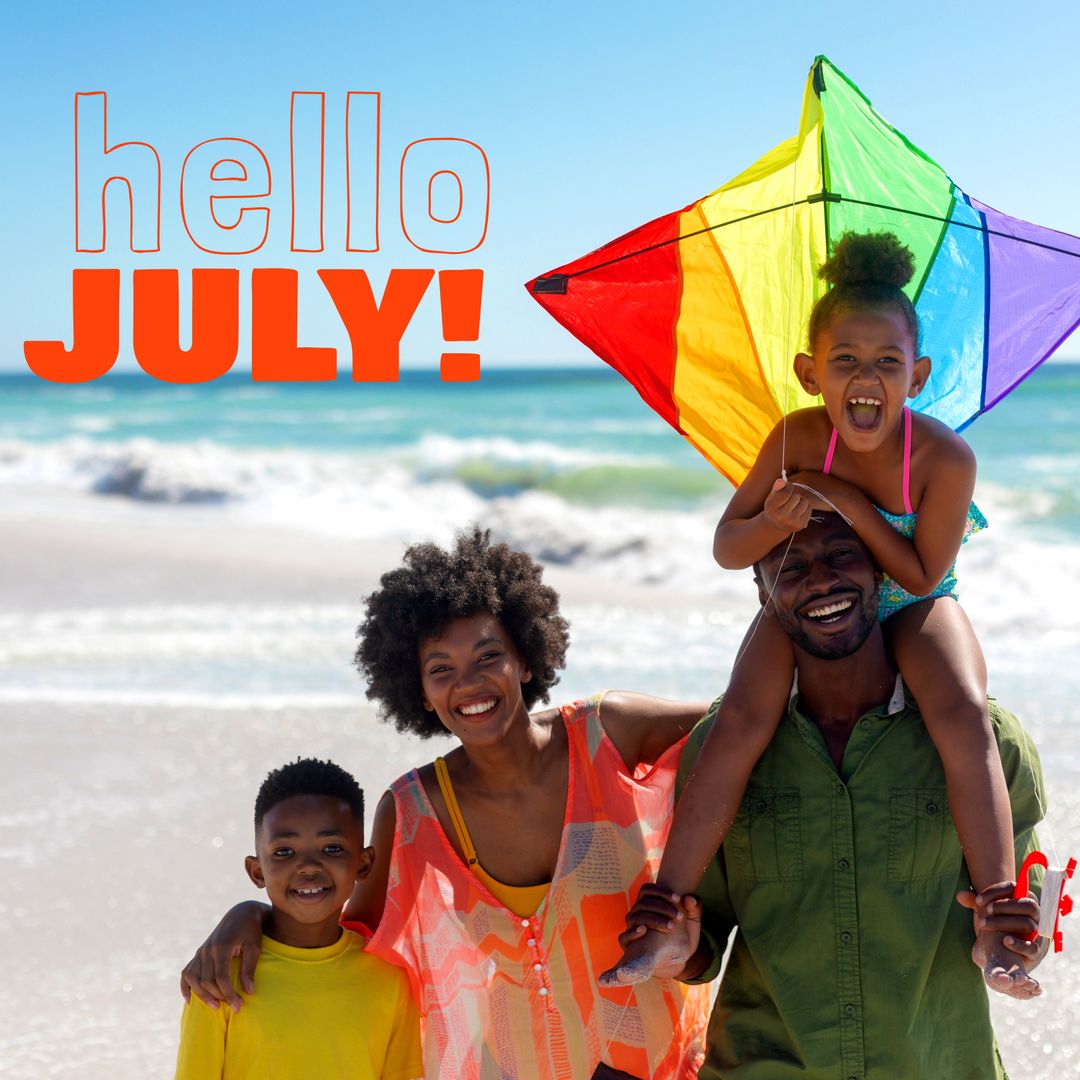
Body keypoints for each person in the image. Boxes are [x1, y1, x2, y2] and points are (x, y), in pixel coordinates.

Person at [605, 231, 1027, 995]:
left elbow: (924, 570)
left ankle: (998, 912)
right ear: (810, 373)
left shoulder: (943, 459)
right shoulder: (798, 436)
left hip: (913, 599)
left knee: (963, 712)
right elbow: (730, 547)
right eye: (845, 361)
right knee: (737, 721)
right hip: (813, 596)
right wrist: (778, 517)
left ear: (918, 374)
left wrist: (852, 506)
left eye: (888, 363)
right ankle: (665, 909)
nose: (866, 379)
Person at [180, 529, 711, 1079]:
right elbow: (346, 936)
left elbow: (742, 726)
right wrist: (249, 914)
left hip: (665, 1064)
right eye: (441, 670)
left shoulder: (609, 734)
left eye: (488, 656)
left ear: (525, 660)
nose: (469, 683)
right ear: (422, 694)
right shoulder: (414, 812)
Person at [615, 513, 1046, 1079]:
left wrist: (1014, 947)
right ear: (762, 588)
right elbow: (703, 936)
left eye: (841, 554)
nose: (819, 581)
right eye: (790, 566)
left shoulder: (983, 744)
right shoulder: (723, 751)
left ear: (879, 570)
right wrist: (678, 953)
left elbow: (1020, 917)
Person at [174, 758, 423, 1080]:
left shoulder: (391, 978)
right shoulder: (219, 978)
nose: (307, 866)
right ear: (257, 871)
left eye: (331, 848)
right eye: (284, 852)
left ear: (364, 864)